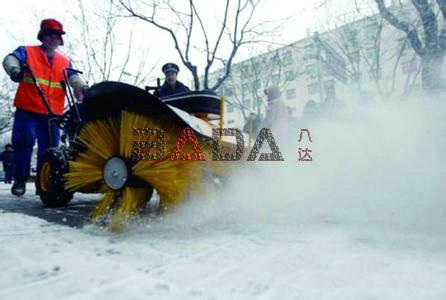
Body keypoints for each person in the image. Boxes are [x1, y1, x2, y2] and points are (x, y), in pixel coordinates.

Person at [2, 18, 88, 196]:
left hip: (52, 113)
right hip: (28, 109)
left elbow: (73, 78)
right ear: (42, 36)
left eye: (56, 36)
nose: (53, 39)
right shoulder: (27, 52)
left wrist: (84, 88)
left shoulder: (64, 61)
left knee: (50, 148)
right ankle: (20, 180)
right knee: (24, 142)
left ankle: (45, 183)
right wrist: (15, 71)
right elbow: (9, 59)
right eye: (49, 35)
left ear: (60, 40)